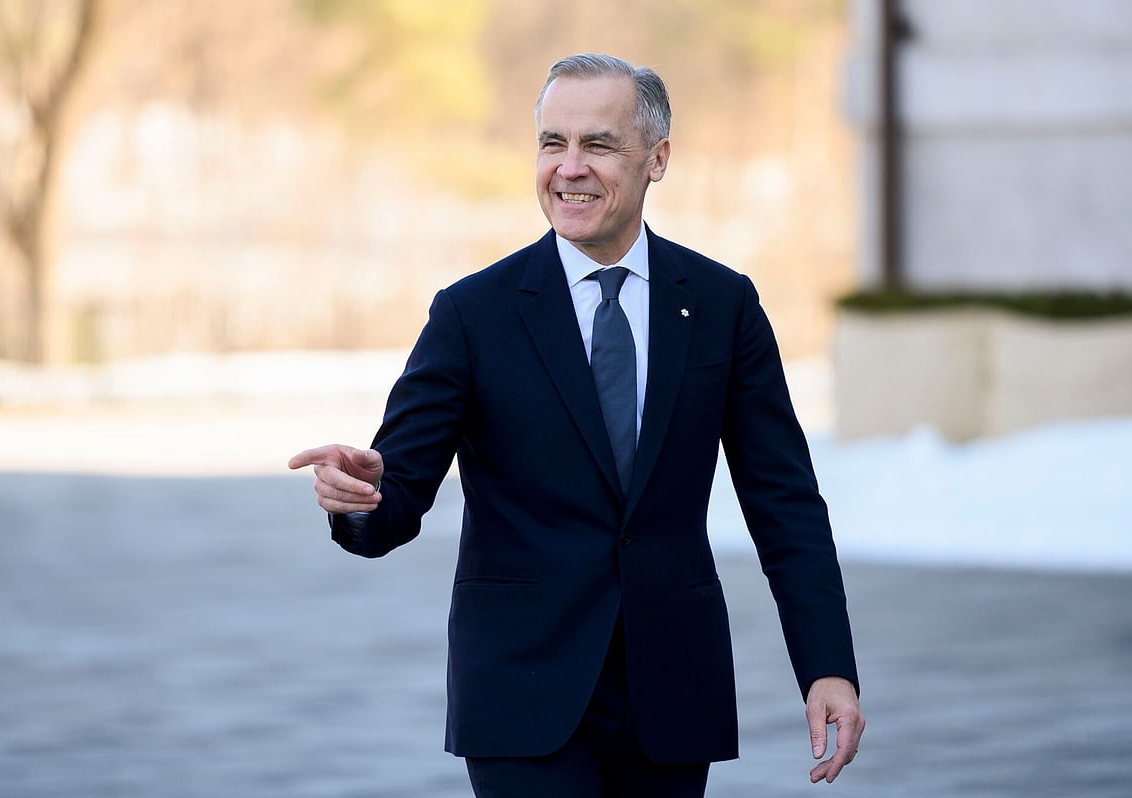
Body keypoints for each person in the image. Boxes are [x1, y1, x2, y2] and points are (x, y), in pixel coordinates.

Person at [289, 53, 864, 798]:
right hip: (522, 693)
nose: (568, 168)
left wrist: (827, 665)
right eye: (551, 144)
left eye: (596, 144)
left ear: (657, 159)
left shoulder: (723, 307)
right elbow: (396, 498)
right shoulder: (473, 315)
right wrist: (359, 496)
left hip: (672, 693)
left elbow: (784, 501)